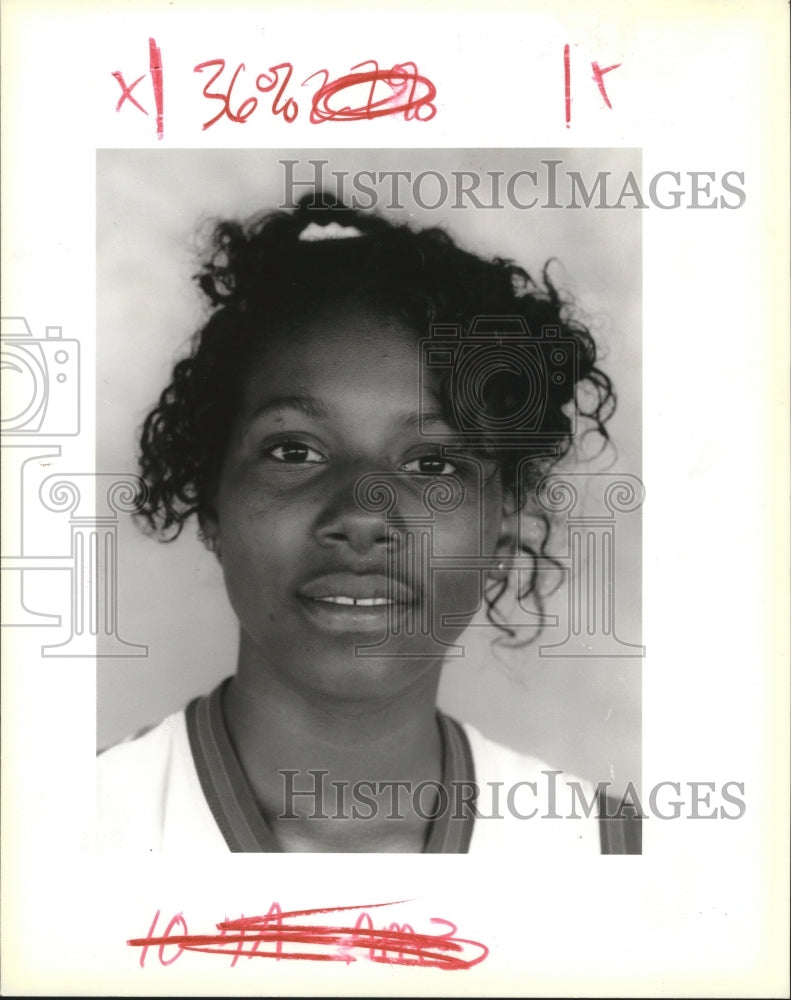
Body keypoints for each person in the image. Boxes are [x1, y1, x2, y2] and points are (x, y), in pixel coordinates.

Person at [96, 193, 638, 854]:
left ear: (503, 522)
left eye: (433, 463)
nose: (360, 515)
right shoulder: (50, 840)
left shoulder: (609, 853)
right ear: (211, 502)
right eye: (294, 451)